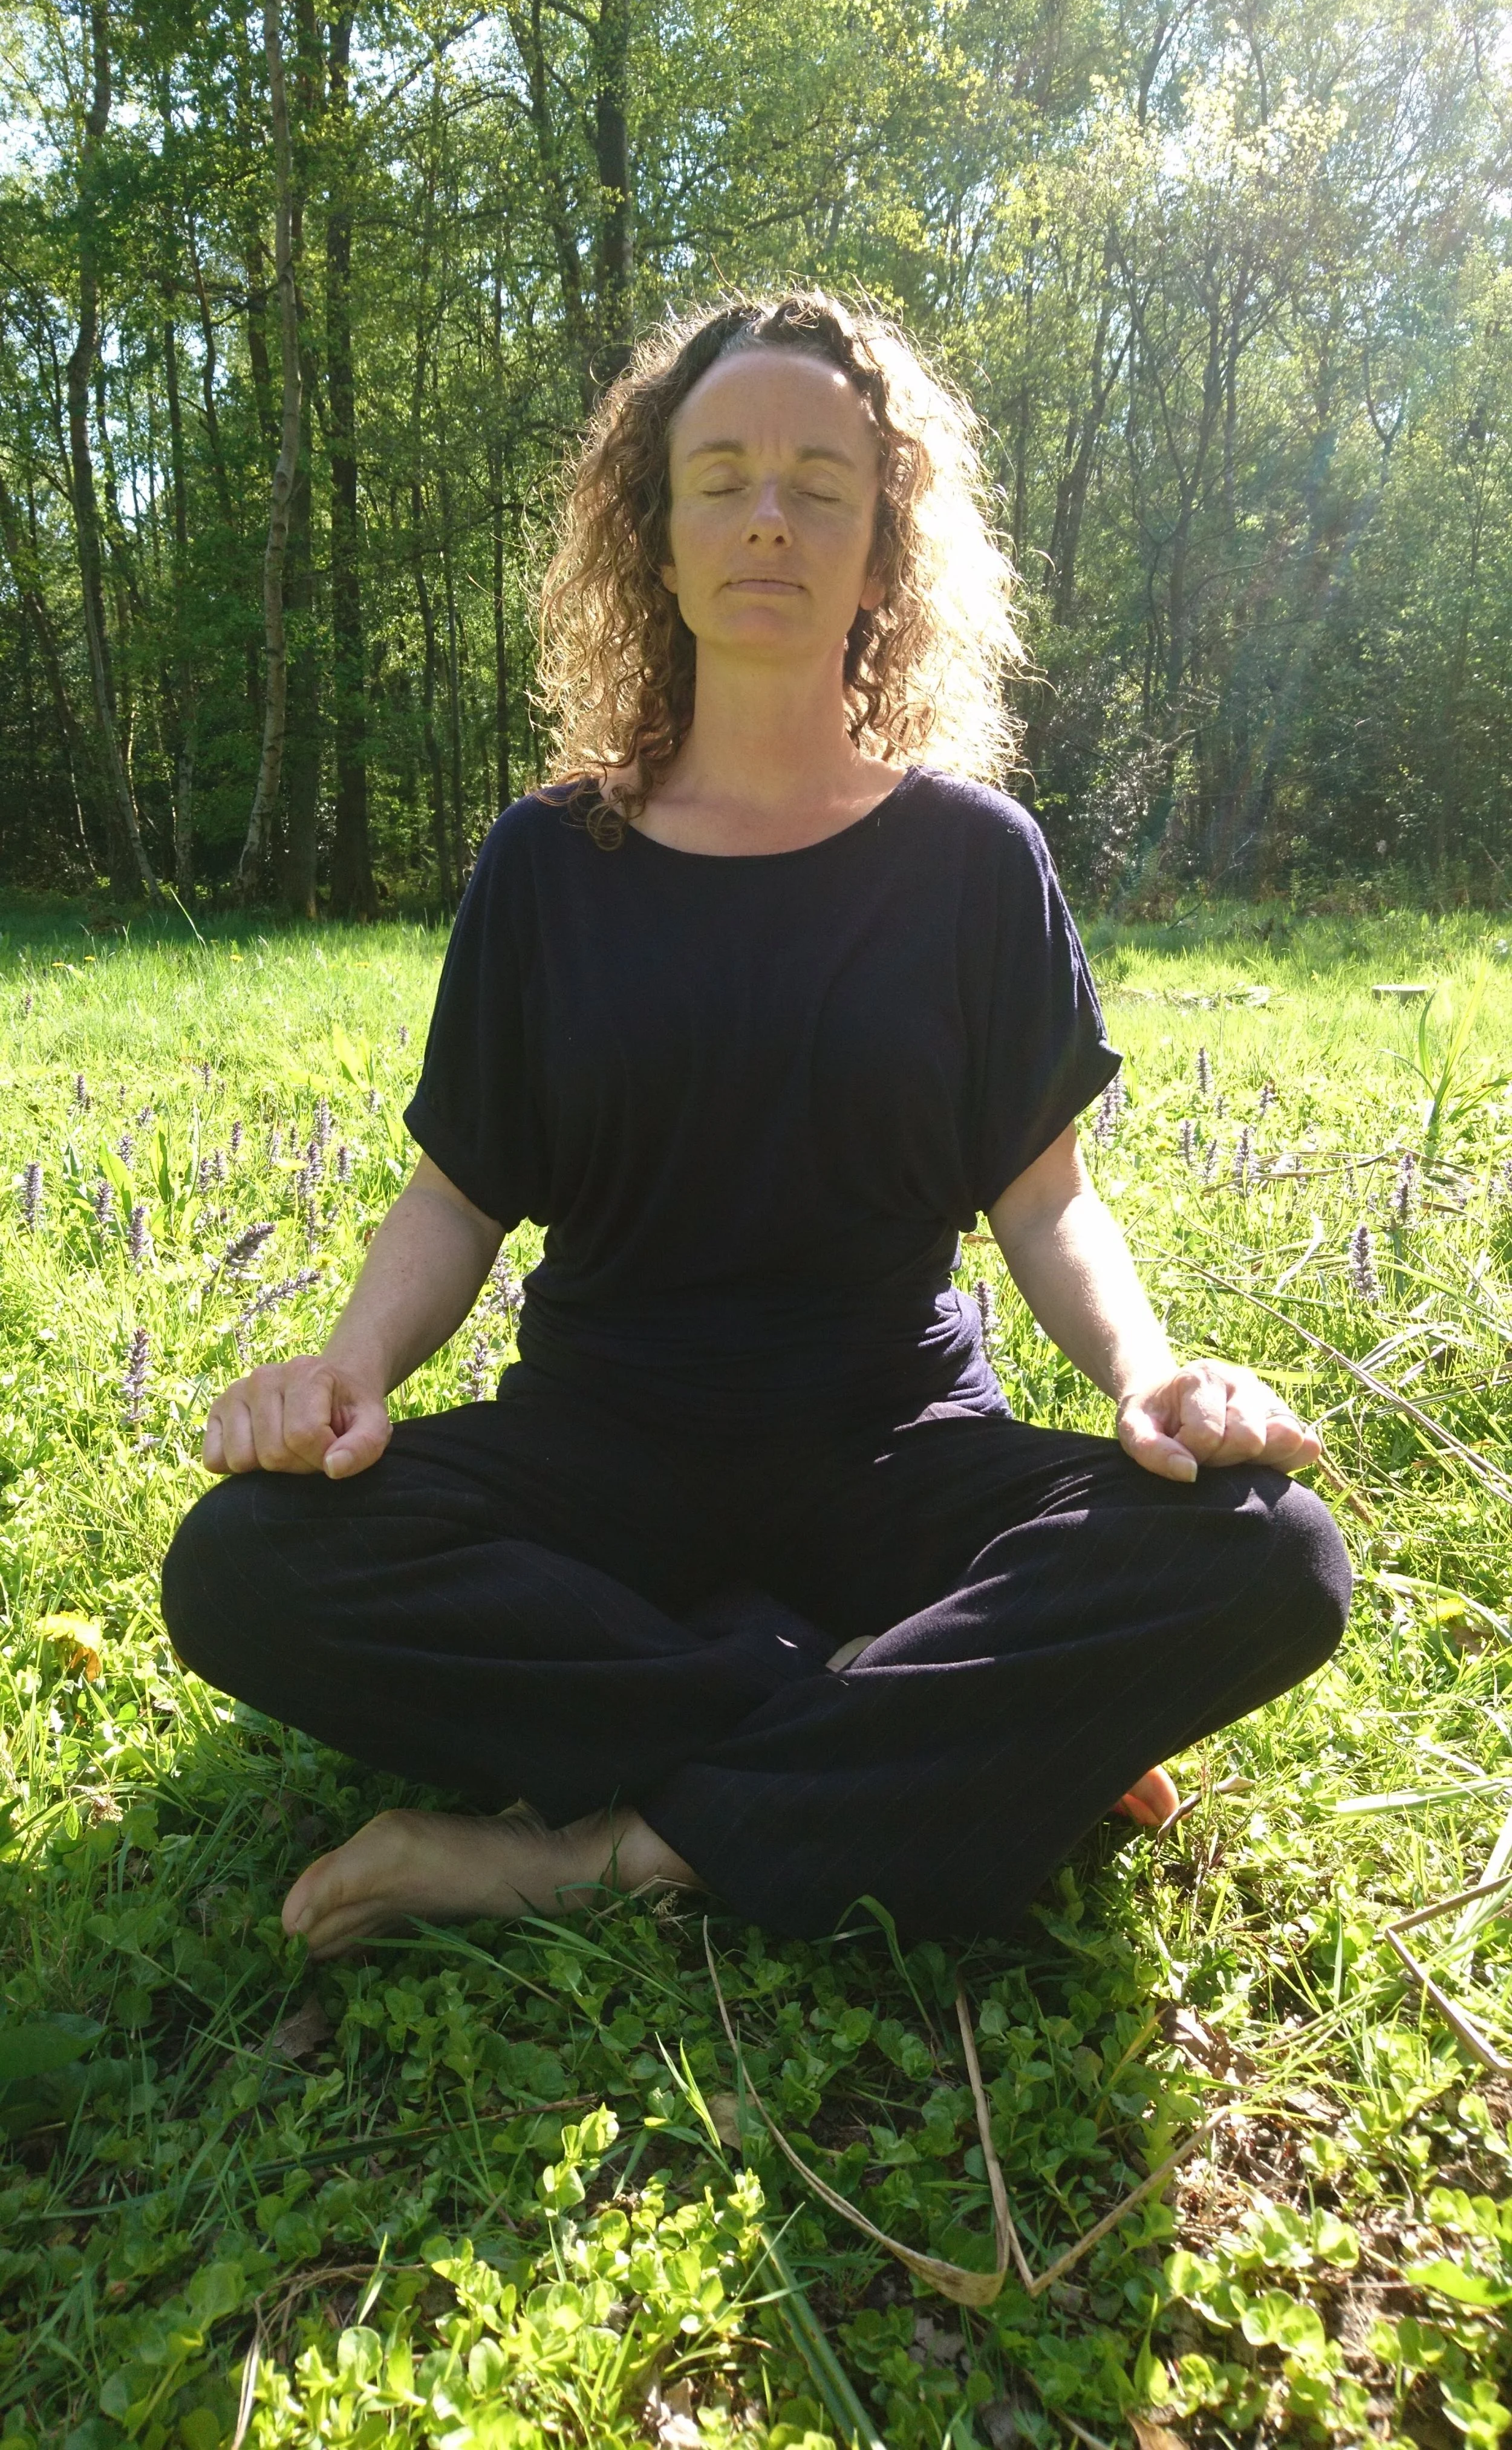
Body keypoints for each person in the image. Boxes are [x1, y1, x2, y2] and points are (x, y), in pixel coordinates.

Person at [162, 292, 1349, 1963]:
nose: (768, 515)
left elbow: (1044, 1195)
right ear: (655, 536)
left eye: (820, 481)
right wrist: (347, 1369)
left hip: (898, 1444)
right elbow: (460, 1186)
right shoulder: (546, 862)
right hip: (602, 1444)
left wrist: (1147, 1373)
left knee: (1269, 1554)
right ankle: (909, 1718)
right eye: (719, 476)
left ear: (883, 551)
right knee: (243, 1566)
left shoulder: (969, 859)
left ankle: (606, 1847)